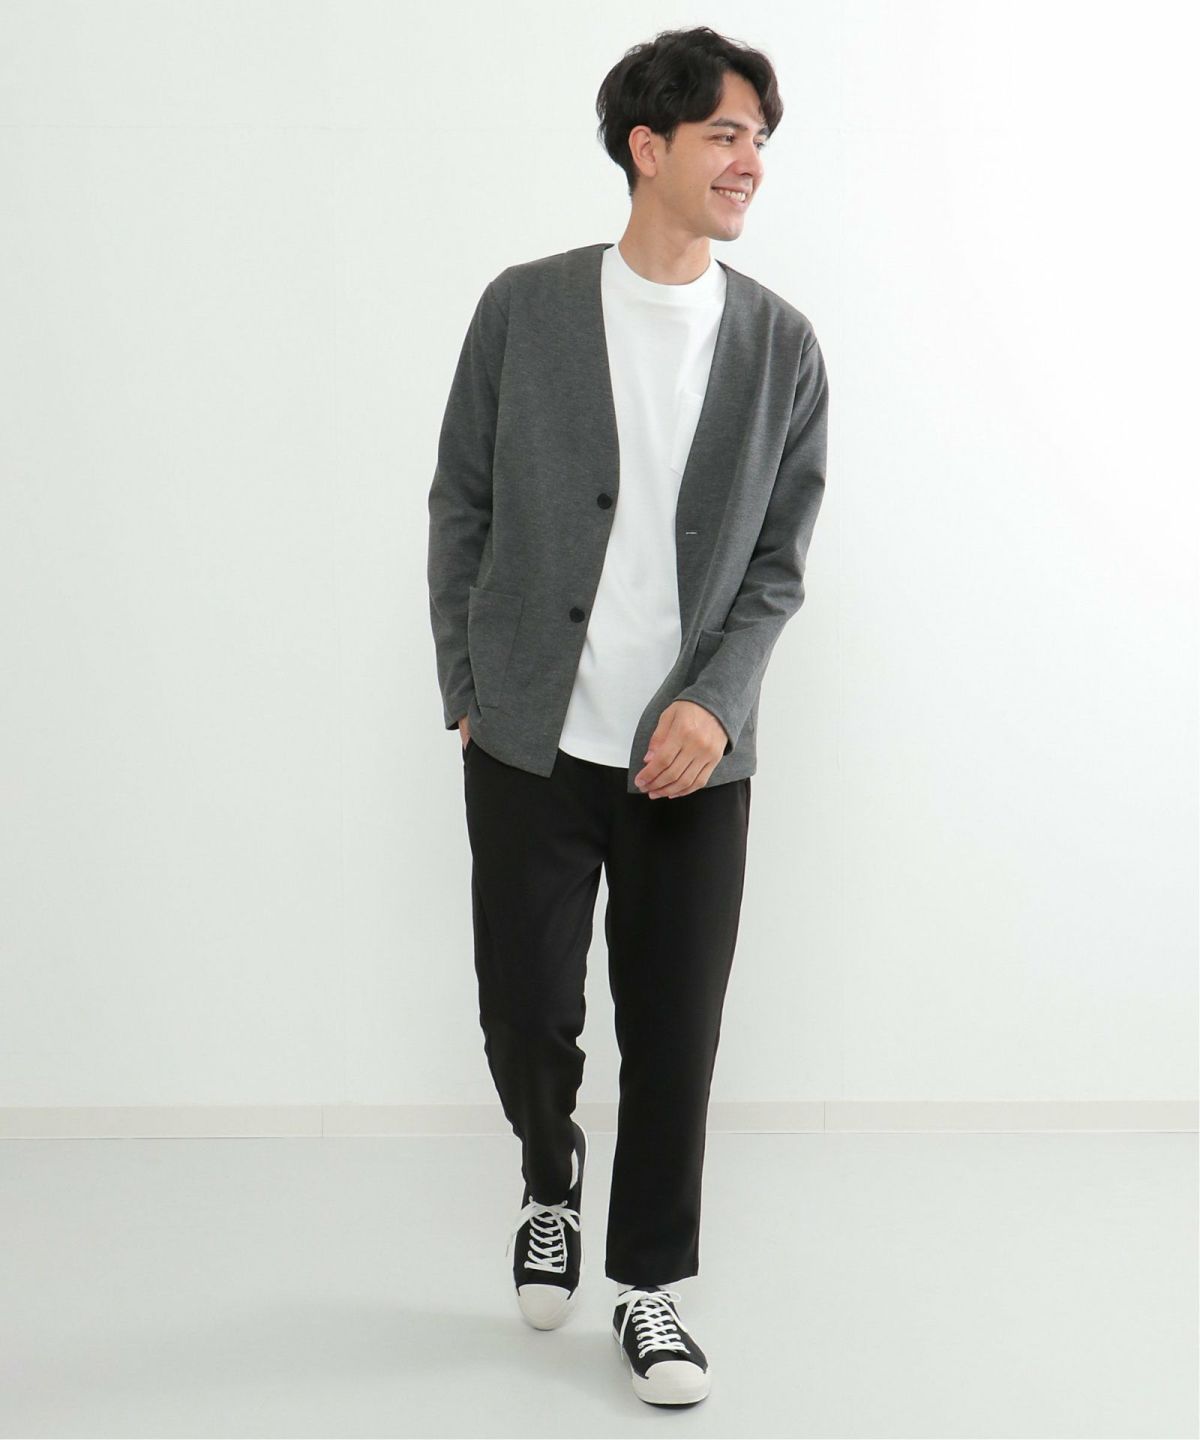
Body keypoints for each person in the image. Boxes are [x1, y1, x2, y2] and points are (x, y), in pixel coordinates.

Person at [426, 24, 829, 1408]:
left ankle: (646, 1287)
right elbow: (461, 503)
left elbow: (777, 565)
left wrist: (716, 705)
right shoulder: (524, 308)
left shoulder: (781, 345)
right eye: (725, 135)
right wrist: (469, 688)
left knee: (674, 1037)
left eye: (760, 139)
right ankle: (551, 1180)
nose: (750, 162)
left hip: (693, 760)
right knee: (525, 1013)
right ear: (647, 147)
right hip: (532, 740)